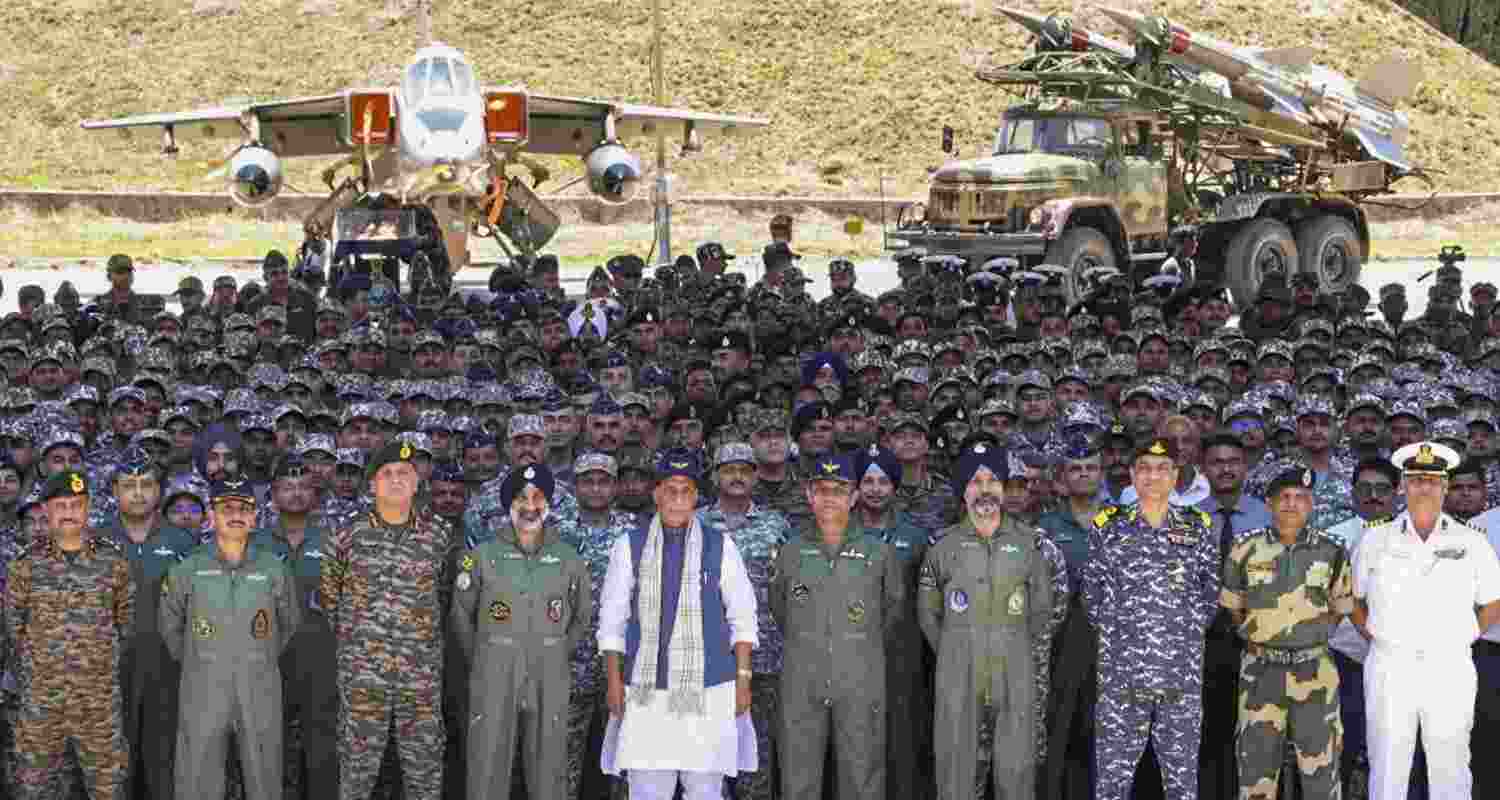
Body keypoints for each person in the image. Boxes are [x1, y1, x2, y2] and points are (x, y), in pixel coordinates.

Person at [596, 447, 758, 799]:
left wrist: (743, 680)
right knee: (647, 790)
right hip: (646, 691)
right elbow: (612, 621)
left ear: (697, 497)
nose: (678, 499)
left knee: (705, 790)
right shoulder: (630, 545)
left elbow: (743, 619)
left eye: (686, 491)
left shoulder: (720, 545)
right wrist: (613, 681)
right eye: (671, 490)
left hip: (710, 691)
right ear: (656, 494)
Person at [919, 441, 1069, 800]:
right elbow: (929, 616)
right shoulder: (942, 547)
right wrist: (959, 651)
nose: (986, 490)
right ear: (963, 490)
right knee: (958, 775)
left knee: (1016, 776)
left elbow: (1046, 614)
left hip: (1016, 678)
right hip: (961, 678)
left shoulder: (1034, 546)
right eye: (976, 481)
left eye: (995, 481)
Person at [1353, 441, 1500, 800]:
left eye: (1433, 481)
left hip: (1448, 665)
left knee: (1451, 765)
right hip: (1390, 665)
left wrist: (1465, 635)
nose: (1425, 488)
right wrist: (1375, 635)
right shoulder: (1374, 539)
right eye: (1417, 480)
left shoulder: (1472, 542)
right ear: (1403, 486)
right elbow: (1354, 600)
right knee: (1387, 766)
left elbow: (1492, 602)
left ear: (1445, 486)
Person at [1086, 437, 1219, 800]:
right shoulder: (1108, 526)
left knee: (1182, 783)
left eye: (1163, 468)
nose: (1153, 476)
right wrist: (1121, 634)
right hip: (1121, 676)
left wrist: (1182, 632)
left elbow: (1210, 595)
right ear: (1132, 475)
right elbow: (1092, 595)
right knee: (1112, 781)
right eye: (1144, 468)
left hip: (1180, 675)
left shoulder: (1198, 526)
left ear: (1175, 476)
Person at [321, 440, 453, 800]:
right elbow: (331, 598)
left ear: (417, 482)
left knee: (425, 771)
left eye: (404, 474)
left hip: (420, 676)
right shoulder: (346, 534)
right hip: (363, 674)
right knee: (357, 772)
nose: (396, 481)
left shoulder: (440, 535)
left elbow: (443, 598)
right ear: (372, 484)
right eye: (387, 474)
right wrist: (361, 642)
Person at [452, 462, 592, 800]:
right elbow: (461, 615)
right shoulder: (480, 556)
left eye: (538, 498)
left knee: (550, 766)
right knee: (487, 761)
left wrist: (556, 651)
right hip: (494, 671)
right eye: (521, 499)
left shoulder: (568, 558)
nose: (530, 507)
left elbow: (582, 616)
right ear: (508, 505)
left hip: (549, 672)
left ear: (548, 504)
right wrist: (484, 658)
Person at [771, 452, 903, 800]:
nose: (830, 498)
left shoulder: (879, 553)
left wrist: (854, 646)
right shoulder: (791, 551)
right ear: (809, 495)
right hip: (803, 677)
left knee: (863, 772)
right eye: (822, 490)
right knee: (798, 774)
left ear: (854, 496)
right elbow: (779, 609)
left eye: (839, 490)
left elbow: (891, 613)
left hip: (859, 677)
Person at [160, 477, 299, 800]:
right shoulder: (188, 568)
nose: (236, 515)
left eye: (244, 509)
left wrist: (257, 656)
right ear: (211, 515)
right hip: (204, 686)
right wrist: (201, 659)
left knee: (264, 775)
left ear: (255, 517)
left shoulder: (274, 568)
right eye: (226, 508)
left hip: (259, 685)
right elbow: (170, 626)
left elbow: (288, 625)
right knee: (197, 777)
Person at [1220, 464, 1354, 800]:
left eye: (1301, 497)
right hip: (1261, 670)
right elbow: (1234, 607)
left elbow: (1340, 609)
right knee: (1256, 768)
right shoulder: (1244, 548)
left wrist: (1307, 639)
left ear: (1311, 504)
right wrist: (1264, 636)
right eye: (1284, 497)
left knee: (1321, 766)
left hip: (1314, 672)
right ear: (1269, 503)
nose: (1292, 504)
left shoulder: (1332, 549)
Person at [2, 470, 133, 800]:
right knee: (34, 788)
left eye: (77, 504)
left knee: (108, 789)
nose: (69, 512)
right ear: (46, 510)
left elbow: (125, 624)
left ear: (88, 508)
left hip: (98, 702)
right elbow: (14, 630)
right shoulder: (25, 565)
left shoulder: (113, 560)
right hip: (42, 701)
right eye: (60, 505)